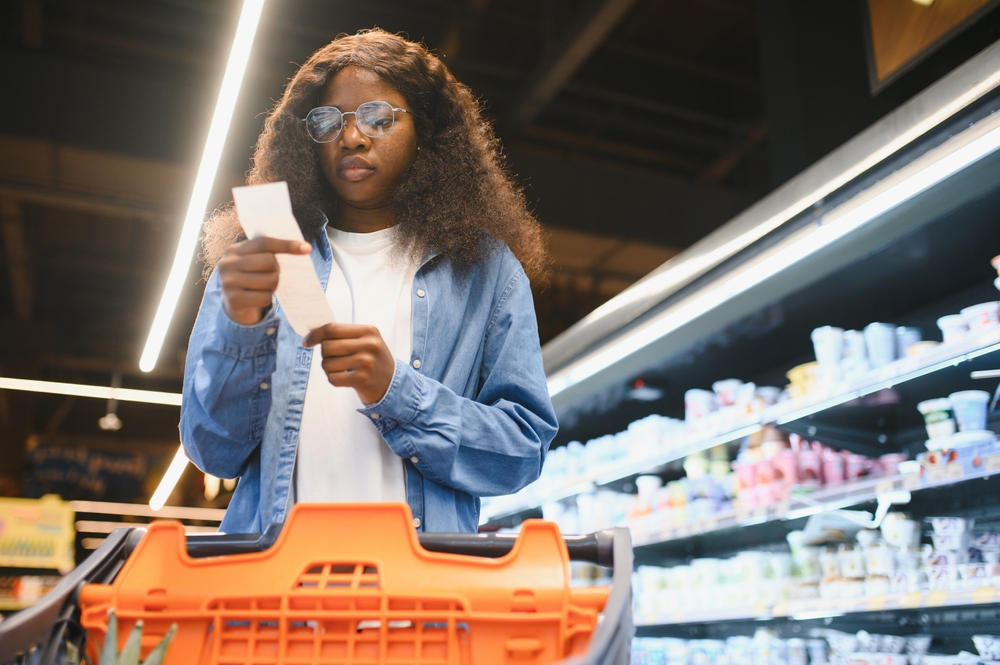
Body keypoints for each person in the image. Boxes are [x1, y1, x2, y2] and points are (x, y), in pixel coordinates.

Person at [180, 29, 557, 535]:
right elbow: (212, 451)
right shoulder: (261, 255)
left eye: (378, 118)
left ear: (425, 129)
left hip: (419, 596)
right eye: (327, 121)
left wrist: (396, 391)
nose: (351, 137)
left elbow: (521, 453)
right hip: (279, 594)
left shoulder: (485, 269)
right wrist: (242, 330)